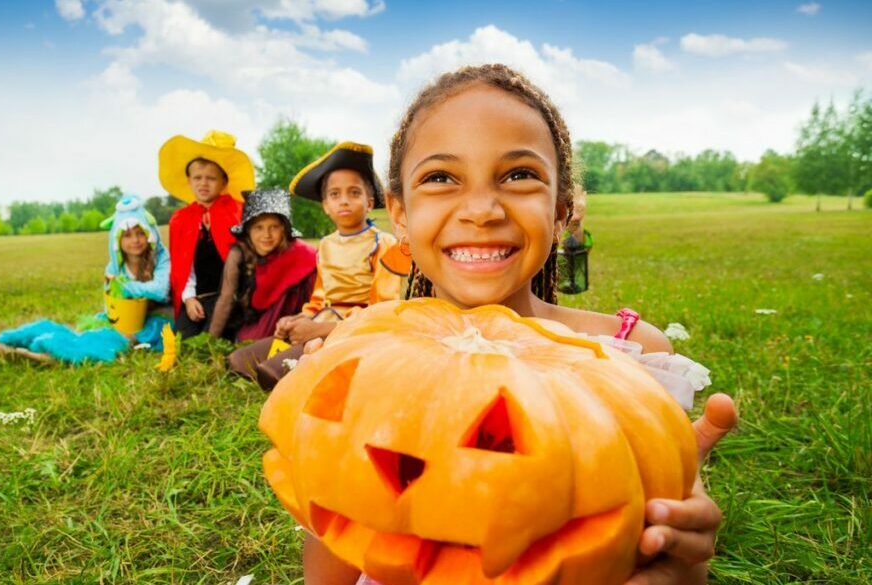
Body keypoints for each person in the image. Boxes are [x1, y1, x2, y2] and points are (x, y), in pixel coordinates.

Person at [302, 64, 738, 585]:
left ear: (560, 210)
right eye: (441, 178)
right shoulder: (361, 360)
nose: (482, 210)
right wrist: (323, 455)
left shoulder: (631, 359)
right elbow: (332, 568)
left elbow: (663, 556)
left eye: (518, 175)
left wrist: (682, 559)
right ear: (398, 211)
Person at [227, 142, 408, 390]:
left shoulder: (383, 243)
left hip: (353, 331)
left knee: (270, 373)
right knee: (238, 361)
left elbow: (382, 313)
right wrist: (298, 319)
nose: (344, 201)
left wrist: (320, 330)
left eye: (354, 193)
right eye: (335, 194)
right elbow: (319, 299)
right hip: (320, 319)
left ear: (369, 202)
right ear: (325, 205)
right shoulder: (326, 245)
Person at [0, 195, 172, 364]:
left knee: (104, 339)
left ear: (150, 235)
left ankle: (39, 356)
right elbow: (111, 299)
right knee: (66, 329)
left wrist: (126, 287)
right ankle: (0, 341)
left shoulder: (161, 259)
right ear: (117, 240)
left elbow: (159, 289)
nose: (135, 240)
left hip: (151, 322)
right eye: (127, 235)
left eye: (140, 234)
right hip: (120, 317)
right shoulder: (115, 266)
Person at [159, 130, 254, 339]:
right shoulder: (181, 219)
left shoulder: (237, 211)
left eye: (211, 178)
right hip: (198, 296)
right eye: (198, 178)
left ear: (223, 182)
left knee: (219, 335)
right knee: (184, 339)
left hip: (230, 297)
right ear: (189, 181)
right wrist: (189, 299)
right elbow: (183, 266)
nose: (203, 183)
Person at [207, 188, 317, 342]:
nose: (267, 235)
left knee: (252, 344)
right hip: (255, 317)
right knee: (243, 340)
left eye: (274, 227)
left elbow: (316, 299)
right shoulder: (240, 252)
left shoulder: (301, 253)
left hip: (295, 318)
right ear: (248, 230)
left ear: (284, 230)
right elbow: (226, 298)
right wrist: (209, 342)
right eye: (259, 227)